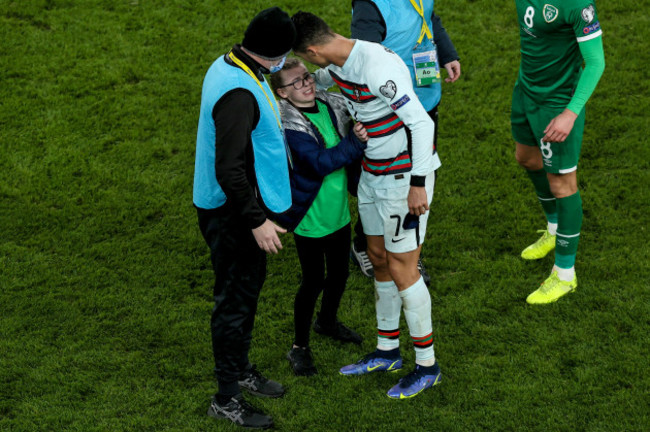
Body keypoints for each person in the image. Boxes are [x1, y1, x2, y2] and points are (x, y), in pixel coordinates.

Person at [291, 11, 442, 399]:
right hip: (373, 175)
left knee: (403, 267)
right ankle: (387, 350)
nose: (312, 70)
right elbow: (314, 81)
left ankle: (428, 366)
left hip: (403, 179)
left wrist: (418, 185)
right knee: (377, 257)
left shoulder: (375, 66)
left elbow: (422, 124)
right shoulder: (337, 63)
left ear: (313, 49)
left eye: (307, 61)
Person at [193, 7, 296, 429]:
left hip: (234, 207)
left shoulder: (234, 62)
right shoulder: (239, 93)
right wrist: (256, 220)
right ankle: (226, 396)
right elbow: (229, 169)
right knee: (234, 301)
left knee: (247, 290)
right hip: (232, 214)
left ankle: (240, 369)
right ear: (274, 55)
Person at [348, 0, 462, 285]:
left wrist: (446, 52)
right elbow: (364, 60)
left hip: (425, 99)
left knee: (422, 174)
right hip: (392, 110)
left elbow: (428, 16)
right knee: (388, 180)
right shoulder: (369, 6)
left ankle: (408, 249)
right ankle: (365, 244)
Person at [269, 58, 368, 377]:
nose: (307, 84)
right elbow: (319, 163)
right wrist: (355, 141)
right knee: (313, 281)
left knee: (339, 274)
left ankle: (326, 322)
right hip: (311, 218)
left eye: (307, 77)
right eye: (296, 83)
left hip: (337, 211)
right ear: (283, 93)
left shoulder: (329, 103)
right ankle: (299, 347)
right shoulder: (290, 126)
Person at [512, 0, 605, 304]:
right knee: (525, 158)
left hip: (558, 103)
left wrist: (570, 113)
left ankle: (565, 274)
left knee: (562, 183)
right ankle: (554, 227)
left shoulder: (576, 5)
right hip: (525, 90)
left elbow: (596, 62)